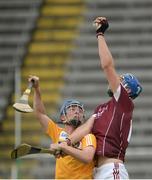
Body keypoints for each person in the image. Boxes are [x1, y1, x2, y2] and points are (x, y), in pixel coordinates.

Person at [68, 17, 142, 179]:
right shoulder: (101, 108)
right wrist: (65, 143)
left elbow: (107, 66)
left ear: (127, 89)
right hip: (97, 171)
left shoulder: (124, 103)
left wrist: (100, 33)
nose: (115, 80)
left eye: (121, 80)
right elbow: (86, 128)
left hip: (112, 170)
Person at [28, 75, 96, 179]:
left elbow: (87, 157)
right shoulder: (58, 133)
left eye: (80, 110)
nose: (77, 111)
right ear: (63, 117)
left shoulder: (88, 136)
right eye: (72, 109)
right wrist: (37, 89)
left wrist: (64, 147)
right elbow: (40, 113)